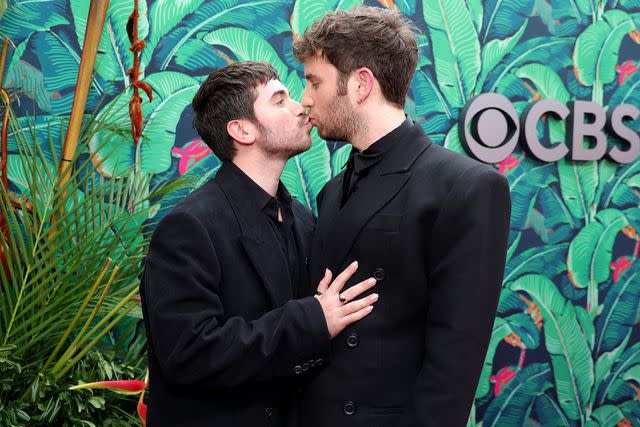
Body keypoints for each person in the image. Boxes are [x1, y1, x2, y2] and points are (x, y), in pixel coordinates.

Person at [292, 7, 511, 427]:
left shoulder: (466, 186)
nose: (304, 99)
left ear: (360, 84)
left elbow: (454, 361)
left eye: (314, 81)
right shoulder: (332, 191)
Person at [139, 61, 378, 427]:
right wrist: (312, 320)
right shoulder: (188, 227)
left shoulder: (301, 218)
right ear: (243, 130)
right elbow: (188, 353)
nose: (301, 106)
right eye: (280, 100)